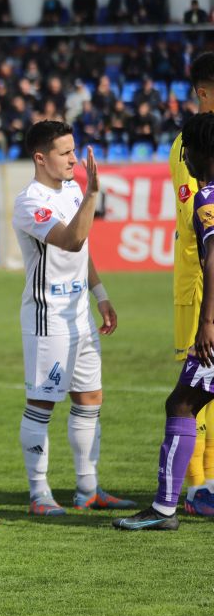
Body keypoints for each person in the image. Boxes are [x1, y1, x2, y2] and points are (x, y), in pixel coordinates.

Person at [12, 121, 132, 516]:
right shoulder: (30, 201)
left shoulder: (73, 190)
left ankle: (87, 489)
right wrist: (95, 192)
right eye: (65, 152)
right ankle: (39, 494)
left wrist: (101, 295)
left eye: (74, 149)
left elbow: (83, 253)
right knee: (41, 405)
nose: (74, 159)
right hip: (49, 319)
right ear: (40, 158)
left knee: (89, 399)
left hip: (80, 314)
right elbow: (71, 239)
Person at [114, 112, 214, 530]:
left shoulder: (208, 198)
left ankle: (163, 510)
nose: (183, 157)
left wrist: (207, 323)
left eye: (186, 148)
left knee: (182, 403)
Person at [169, 52, 214, 515]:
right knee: (195, 389)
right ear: (204, 92)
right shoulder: (190, 143)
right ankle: (198, 485)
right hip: (200, 284)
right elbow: (195, 214)